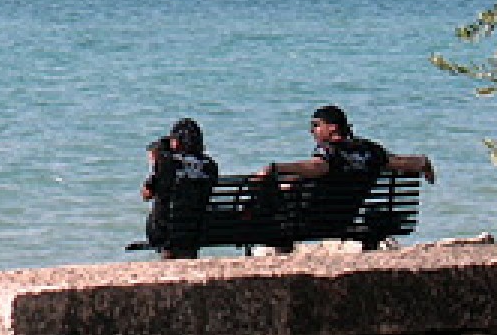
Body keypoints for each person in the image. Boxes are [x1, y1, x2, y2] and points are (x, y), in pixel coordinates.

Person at [257, 105, 436, 186]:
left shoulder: (328, 151)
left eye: (316, 125)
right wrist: (423, 164)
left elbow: (317, 167)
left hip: (317, 218)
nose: (312, 131)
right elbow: (404, 163)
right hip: (348, 215)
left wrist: (277, 168)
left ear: (333, 128)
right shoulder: (370, 150)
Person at [143, 118, 219, 258]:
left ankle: (169, 255)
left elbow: (146, 195)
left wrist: (156, 165)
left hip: (166, 231)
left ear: (176, 142)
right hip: (197, 230)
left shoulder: (167, 165)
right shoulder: (210, 166)